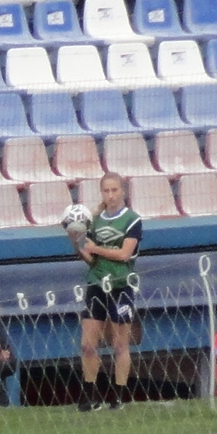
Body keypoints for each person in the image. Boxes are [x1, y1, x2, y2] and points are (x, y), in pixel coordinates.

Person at [69, 172, 142, 411]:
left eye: (114, 190)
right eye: (106, 191)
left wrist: (96, 248)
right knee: (87, 344)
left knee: (120, 344)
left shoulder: (132, 220)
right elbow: (91, 259)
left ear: (122, 191)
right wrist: (76, 244)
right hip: (96, 284)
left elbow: (124, 254)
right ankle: (89, 394)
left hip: (121, 285)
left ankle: (119, 395)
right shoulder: (95, 219)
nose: (110, 195)